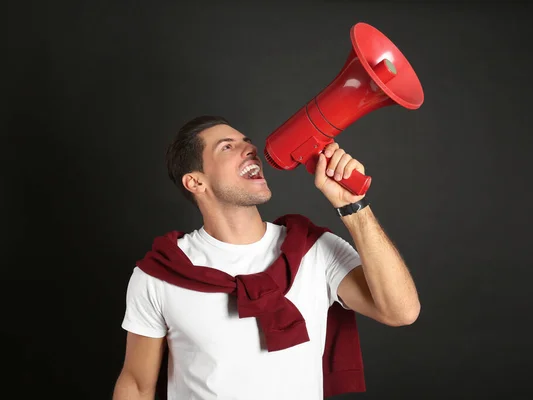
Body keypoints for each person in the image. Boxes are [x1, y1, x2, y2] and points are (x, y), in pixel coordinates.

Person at [112, 115, 420, 400]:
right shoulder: (159, 274)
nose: (250, 149)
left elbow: (401, 312)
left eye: (247, 141)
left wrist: (352, 206)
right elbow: (137, 384)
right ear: (196, 182)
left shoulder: (314, 249)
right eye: (228, 147)